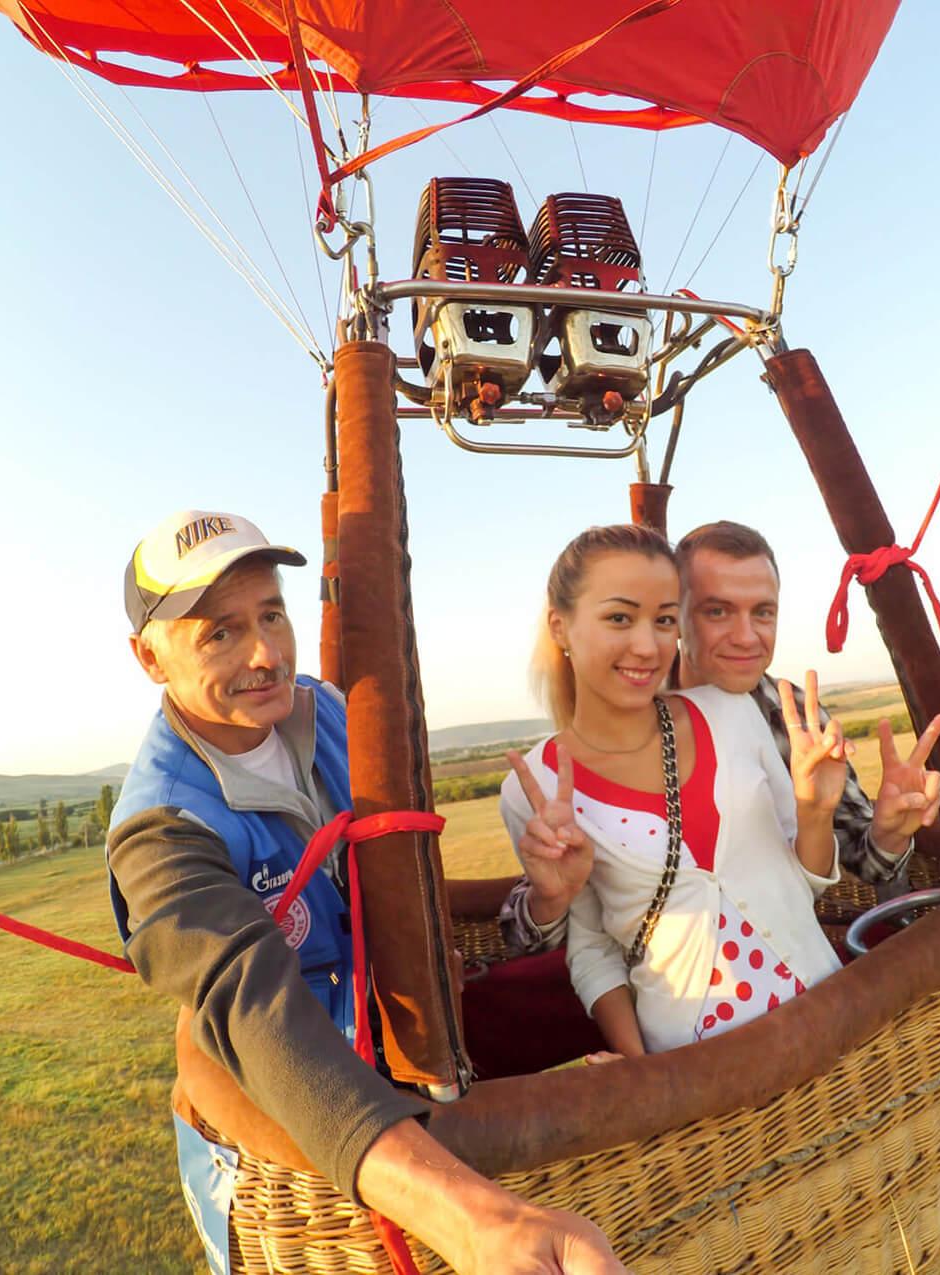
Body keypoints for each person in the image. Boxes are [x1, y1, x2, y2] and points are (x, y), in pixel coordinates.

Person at [107, 509, 625, 1275]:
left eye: (271, 616)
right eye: (219, 632)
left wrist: (541, 903)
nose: (264, 654)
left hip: (398, 1071)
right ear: (149, 657)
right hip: (297, 1171)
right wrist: (478, 1219)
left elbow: (407, 916)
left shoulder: (339, 718)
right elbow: (262, 1019)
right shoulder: (162, 830)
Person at [498, 525, 940, 1055]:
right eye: (716, 611)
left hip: (821, 1003)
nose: (746, 636)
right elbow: (587, 940)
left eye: (763, 612)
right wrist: (642, 1071)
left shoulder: (769, 713)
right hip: (691, 1047)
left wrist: (856, 822)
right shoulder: (543, 780)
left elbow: (812, 878)